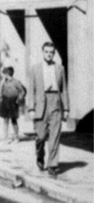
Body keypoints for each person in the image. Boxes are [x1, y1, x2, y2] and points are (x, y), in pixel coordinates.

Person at [28, 42, 69, 178]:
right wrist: (31, 108)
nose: (49, 54)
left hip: (55, 104)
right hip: (41, 104)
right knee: (40, 136)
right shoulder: (35, 69)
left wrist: (66, 108)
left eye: (51, 52)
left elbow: (64, 90)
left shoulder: (60, 68)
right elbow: (31, 90)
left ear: (54, 53)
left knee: (55, 136)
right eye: (46, 51)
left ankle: (52, 164)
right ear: (43, 52)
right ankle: (40, 156)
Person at [0, 66, 27, 143]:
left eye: (4, 74)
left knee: (14, 120)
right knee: (5, 120)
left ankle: (16, 137)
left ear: (7, 74)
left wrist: (18, 100)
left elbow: (22, 91)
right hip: (5, 101)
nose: (3, 75)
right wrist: (0, 96)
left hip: (13, 102)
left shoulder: (16, 82)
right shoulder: (4, 82)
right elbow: (0, 92)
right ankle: (5, 137)